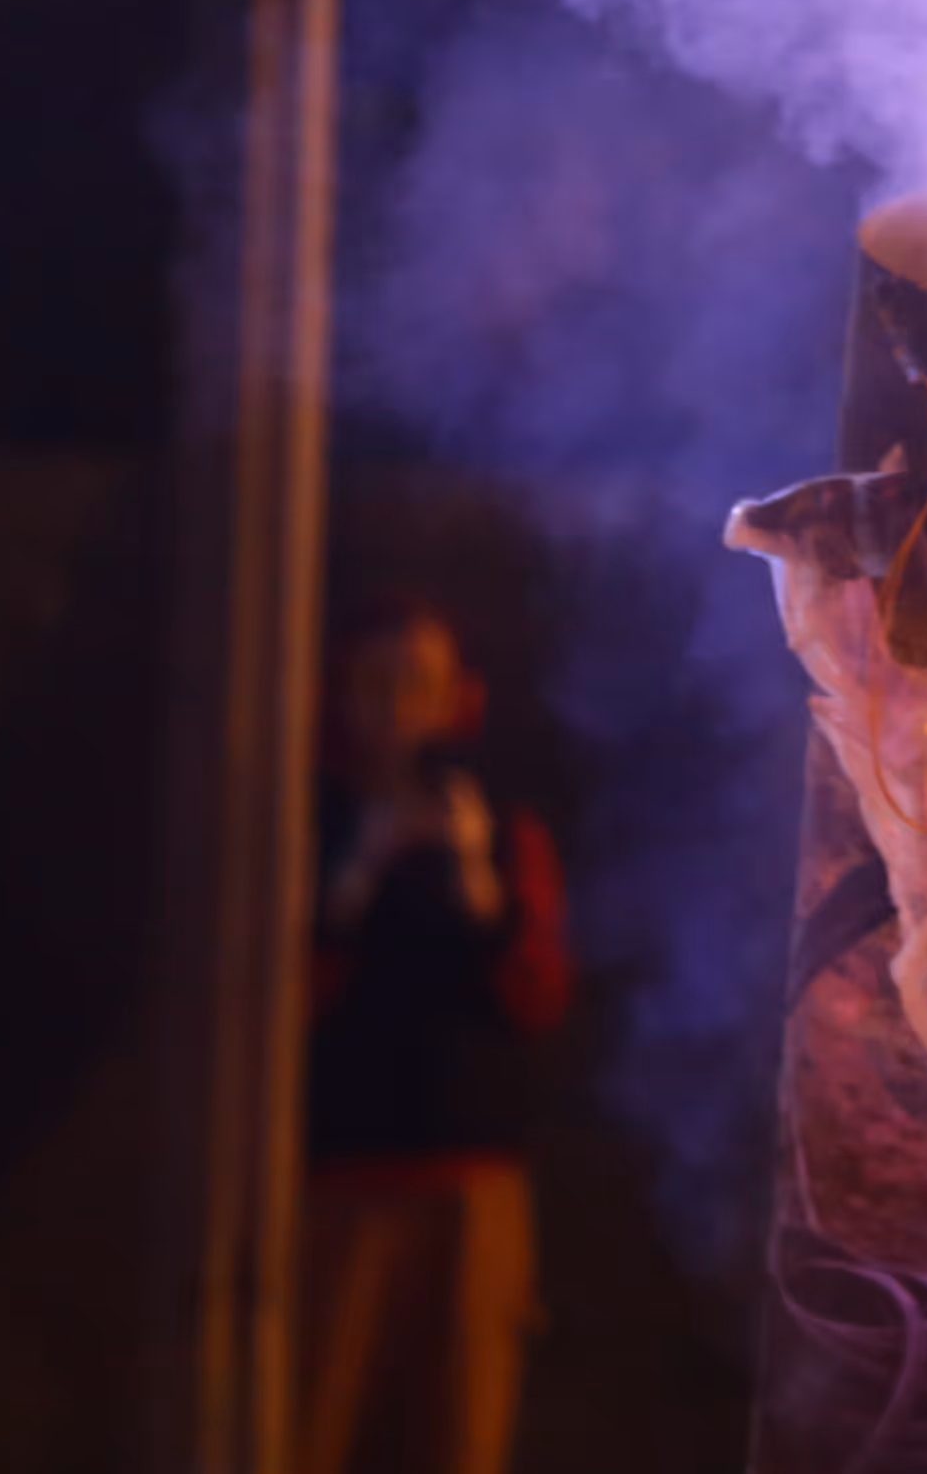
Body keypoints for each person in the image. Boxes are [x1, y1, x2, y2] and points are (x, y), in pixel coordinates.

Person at [301, 596, 570, 1474]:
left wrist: (481, 888)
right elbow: (277, 999)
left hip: (470, 1186)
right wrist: (356, 876)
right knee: (310, 1426)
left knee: (457, 1435)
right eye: (373, 681)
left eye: (418, 682)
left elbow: (536, 998)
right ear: (336, 693)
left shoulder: (496, 826)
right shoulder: (301, 821)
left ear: (457, 697)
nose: (395, 704)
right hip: (339, 1184)